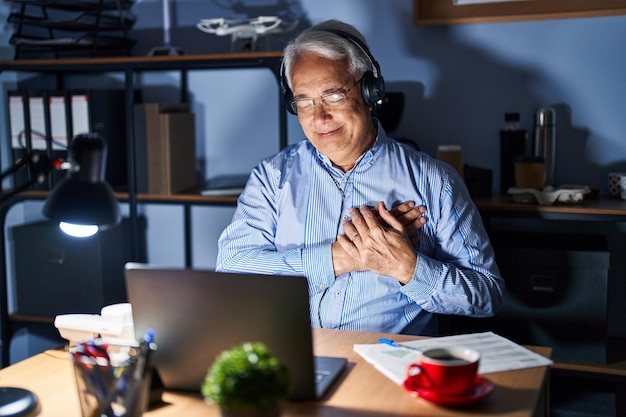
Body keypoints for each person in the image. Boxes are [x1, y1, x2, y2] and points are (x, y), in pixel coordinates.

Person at [216, 19, 504, 336]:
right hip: (295, 357)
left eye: (334, 95)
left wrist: (406, 267)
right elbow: (232, 272)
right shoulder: (271, 178)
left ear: (371, 91)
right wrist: (343, 257)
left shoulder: (433, 180)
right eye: (304, 101)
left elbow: (486, 295)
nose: (319, 117)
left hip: (391, 366)